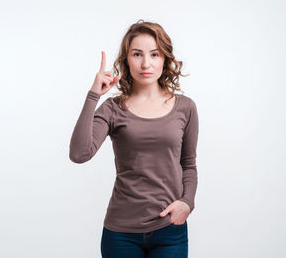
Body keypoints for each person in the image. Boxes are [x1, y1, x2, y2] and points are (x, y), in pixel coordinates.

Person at [69, 20, 199, 258]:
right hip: (121, 234)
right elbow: (79, 154)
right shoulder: (112, 108)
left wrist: (187, 203)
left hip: (170, 231)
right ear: (127, 60)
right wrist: (93, 95)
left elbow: (188, 164)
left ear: (165, 59)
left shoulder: (185, 108)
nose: (146, 63)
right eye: (137, 54)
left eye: (154, 54)